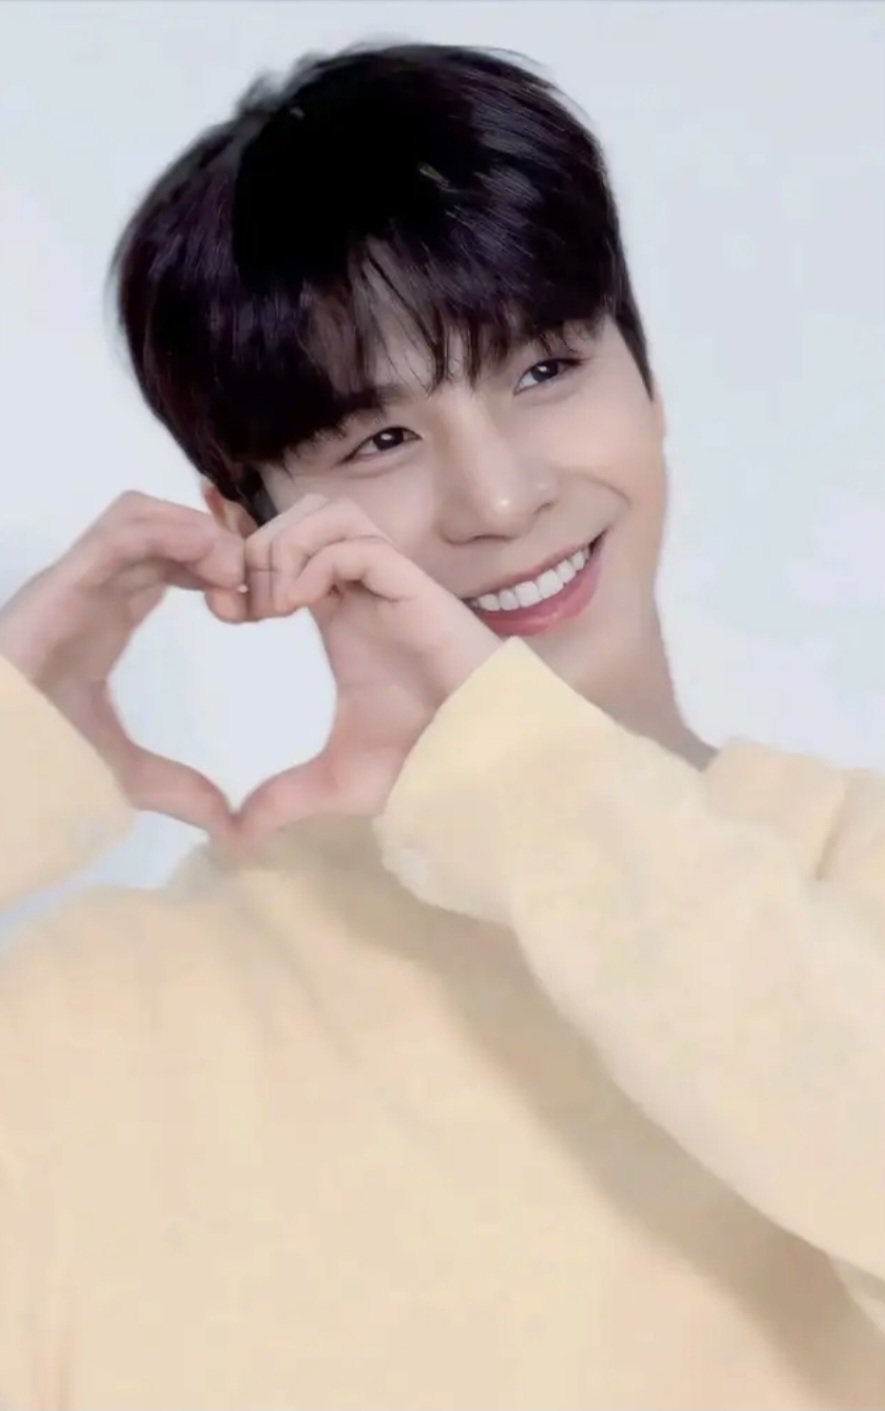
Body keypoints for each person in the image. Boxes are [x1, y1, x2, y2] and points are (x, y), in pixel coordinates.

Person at [0, 39, 884, 1410]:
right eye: (380, 440)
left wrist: (530, 785)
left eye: (545, 369)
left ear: (647, 379)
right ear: (248, 525)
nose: (498, 499)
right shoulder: (94, 1022)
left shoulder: (844, 876)